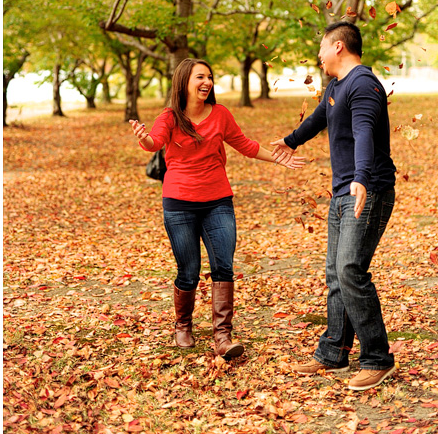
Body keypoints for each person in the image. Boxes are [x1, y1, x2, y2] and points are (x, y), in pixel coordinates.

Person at [130, 58, 306, 358]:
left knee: (223, 266)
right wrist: (144, 138)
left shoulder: (221, 114)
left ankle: (222, 336)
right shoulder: (170, 117)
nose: (207, 82)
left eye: (210, 77)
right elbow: (154, 142)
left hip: (217, 201)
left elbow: (245, 144)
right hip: (179, 203)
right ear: (184, 81)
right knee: (189, 270)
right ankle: (183, 326)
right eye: (200, 77)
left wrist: (279, 158)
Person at [272, 21, 397, 391]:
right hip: (343, 191)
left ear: (338, 46)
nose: (319, 54)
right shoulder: (336, 86)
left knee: (349, 269)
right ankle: (334, 351)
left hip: (367, 189)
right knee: (334, 273)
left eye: (322, 47)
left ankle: (377, 358)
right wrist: (291, 141)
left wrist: (360, 176)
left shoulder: (363, 84)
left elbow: (363, 132)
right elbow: (319, 119)